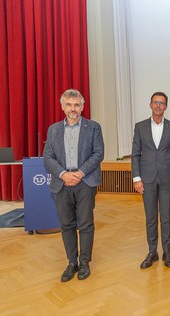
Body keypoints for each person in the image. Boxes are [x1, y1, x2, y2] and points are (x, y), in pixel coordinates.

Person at [43, 89, 104, 282]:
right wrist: (63, 174)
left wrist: (79, 173)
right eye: (69, 105)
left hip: (85, 181)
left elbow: (98, 153)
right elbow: (48, 157)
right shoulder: (53, 129)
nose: (73, 109)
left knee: (86, 223)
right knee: (66, 224)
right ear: (63, 107)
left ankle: (84, 262)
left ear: (82, 107)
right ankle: (72, 262)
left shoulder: (93, 127)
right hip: (62, 183)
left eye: (77, 105)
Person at [132, 92, 170, 269]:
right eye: (155, 102)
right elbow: (136, 154)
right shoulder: (140, 127)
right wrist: (137, 178)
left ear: (166, 106)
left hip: (169, 180)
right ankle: (152, 252)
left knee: (166, 218)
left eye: (162, 103)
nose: (158, 105)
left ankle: (167, 252)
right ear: (150, 104)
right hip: (147, 180)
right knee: (151, 218)